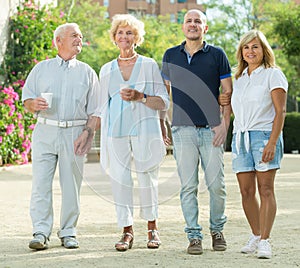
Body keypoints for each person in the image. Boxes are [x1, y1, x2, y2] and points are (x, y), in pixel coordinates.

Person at [22, 23, 100, 250]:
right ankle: (40, 231)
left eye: (81, 36)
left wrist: (88, 133)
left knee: (71, 185)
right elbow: (26, 100)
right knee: (40, 184)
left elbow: (96, 111)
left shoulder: (87, 72)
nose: (80, 39)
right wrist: (32, 104)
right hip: (45, 130)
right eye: (75, 35)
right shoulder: (41, 69)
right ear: (59, 41)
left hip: (75, 133)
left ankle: (68, 232)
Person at [161, 9, 232, 255]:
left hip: (211, 130)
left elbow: (227, 94)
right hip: (183, 131)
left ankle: (217, 230)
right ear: (183, 26)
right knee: (188, 186)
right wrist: (165, 123)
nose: (193, 24)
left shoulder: (217, 55)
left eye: (198, 21)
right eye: (189, 21)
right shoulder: (170, 55)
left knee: (217, 186)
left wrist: (224, 125)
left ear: (205, 27)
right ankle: (193, 236)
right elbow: (164, 95)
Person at [97, 14, 170, 251]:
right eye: (120, 32)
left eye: (129, 32)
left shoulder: (148, 65)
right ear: (114, 37)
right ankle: (126, 230)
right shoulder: (106, 69)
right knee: (120, 179)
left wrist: (141, 97)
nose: (124, 37)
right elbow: (101, 105)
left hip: (145, 130)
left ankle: (152, 228)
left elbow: (164, 102)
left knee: (147, 177)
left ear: (136, 37)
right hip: (116, 132)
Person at [231, 30, 288, 259]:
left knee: (265, 189)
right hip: (240, 137)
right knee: (246, 191)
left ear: (264, 50)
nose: (250, 51)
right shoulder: (240, 78)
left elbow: (280, 111)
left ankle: (265, 240)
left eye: (255, 47)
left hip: (264, 135)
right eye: (246, 47)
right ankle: (255, 235)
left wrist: (272, 142)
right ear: (241, 52)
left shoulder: (273, 74)